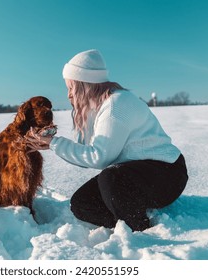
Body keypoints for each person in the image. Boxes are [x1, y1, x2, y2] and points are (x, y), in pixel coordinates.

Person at [25, 49, 188, 231]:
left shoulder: (117, 104)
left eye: (71, 87)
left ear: (84, 84)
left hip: (167, 174)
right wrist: (51, 142)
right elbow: (86, 151)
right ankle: (126, 220)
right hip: (133, 175)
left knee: (110, 177)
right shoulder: (98, 107)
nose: (68, 94)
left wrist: (54, 143)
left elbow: (99, 157)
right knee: (81, 203)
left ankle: (138, 229)